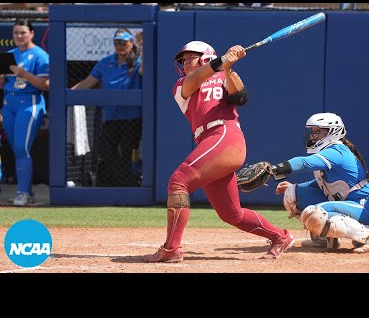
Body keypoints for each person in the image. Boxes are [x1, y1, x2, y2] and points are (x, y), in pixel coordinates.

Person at [144, 40, 295, 263]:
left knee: (179, 182)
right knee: (231, 214)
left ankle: (171, 248)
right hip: (207, 141)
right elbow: (194, 80)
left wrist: (228, 67)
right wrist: (220, 62)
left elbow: (240, 97)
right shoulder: (182, 85)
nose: (185, 62)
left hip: (225, 135)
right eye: (183, 60)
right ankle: (280, 237)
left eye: (190, 57)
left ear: (205, 57)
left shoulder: (224, 75)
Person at [267, 112, 369, 253]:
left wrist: (276, 168)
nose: (312, 135)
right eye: (312, 131)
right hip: (345, 204)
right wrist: (293, 187)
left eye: (317, 131)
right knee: (292, 194)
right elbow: (323, 185)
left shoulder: (337, 150)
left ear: (332, 132)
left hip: (364, 208)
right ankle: (324, 239)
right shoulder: (328, 152)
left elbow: (305, 163)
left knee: (315, 213)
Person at [71, 28, 143, 187]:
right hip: (110, 116)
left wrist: (143, 47)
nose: (119, 46)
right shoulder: (106, 62)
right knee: (105, 151)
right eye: (116, 42)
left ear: (131, 43)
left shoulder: (137, 61)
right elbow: (88, 82)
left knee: (127, 153)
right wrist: (69, 94)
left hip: (131, 117)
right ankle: (130, 184)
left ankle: (128, 186)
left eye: (123, 42)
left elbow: (145, 71)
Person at [0, 18, 49, 206]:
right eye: (15, 33)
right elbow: (2, 84)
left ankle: (22, 192)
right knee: (16, 148)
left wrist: (24, 74)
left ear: (32, 34)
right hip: (9, 102)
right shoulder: (9, 54)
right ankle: (28, 192)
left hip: (29, 102)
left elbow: (46, 85)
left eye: (23, 32)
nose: (19, 36)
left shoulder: (40, 55)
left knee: (22, 148)